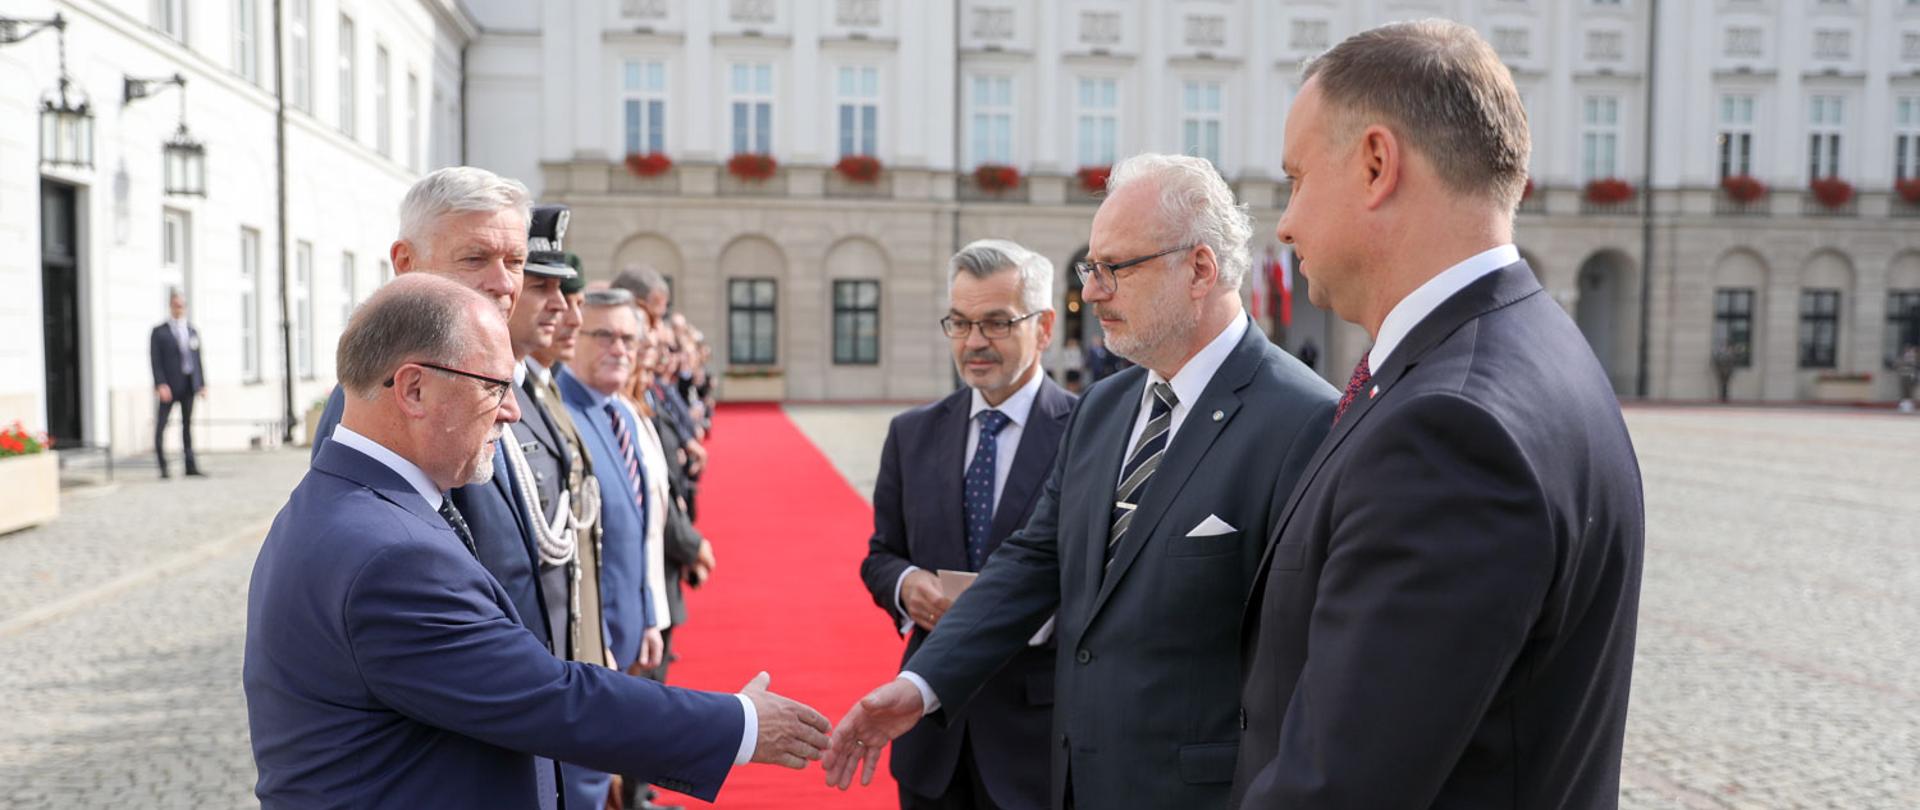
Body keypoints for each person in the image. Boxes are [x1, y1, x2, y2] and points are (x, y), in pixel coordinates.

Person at [826, 153, 1339, 810]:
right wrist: (923, 683)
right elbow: (1032, 564)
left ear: (1200, 269)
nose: (1091, 293)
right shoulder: (1104, 406)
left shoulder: (1304, 419)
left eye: (1113, 269)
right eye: (1089, 271)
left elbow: (1303, 665)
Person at [1231, 21, 1645, 809]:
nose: (1284, 223)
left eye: (1296, 179)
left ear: (1376, 164)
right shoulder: (1533, 343)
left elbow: (1338, 789)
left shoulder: (1450, 428)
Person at [244, 274, 831, 810]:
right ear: (414, 390)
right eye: (494, 386)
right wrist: (740, 725)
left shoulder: (346, 501)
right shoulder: (391, 554)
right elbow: (550, 698)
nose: (512, 412)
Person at [856, 240, 1078, 810]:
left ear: (1045, 326)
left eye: (997, 323)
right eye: (960, 322)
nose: (974, 341)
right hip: (931, 737)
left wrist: (1019, 617)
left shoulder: (1088, 434)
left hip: (1036, 738)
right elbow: (881, 555)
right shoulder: (913, 434)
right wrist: (908, 588)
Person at [150, 290, 206, 478]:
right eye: (176, 305)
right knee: (161, 426)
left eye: (181, 306)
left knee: (187, 426)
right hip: (169, 386)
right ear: (170, 306)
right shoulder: (160, 332)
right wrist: (160, 384)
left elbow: (198, 359)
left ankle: (190, 465)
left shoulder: (191, 330)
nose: (179, 309)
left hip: (188, 384)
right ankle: (163, 467)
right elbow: (155, 360)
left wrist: (202, 383)